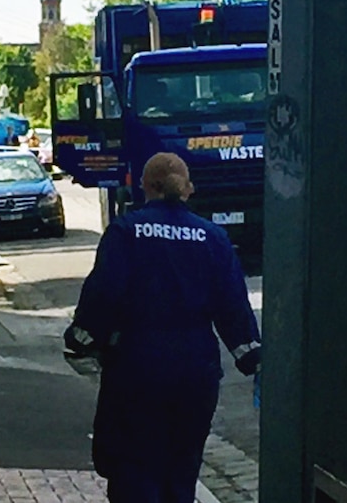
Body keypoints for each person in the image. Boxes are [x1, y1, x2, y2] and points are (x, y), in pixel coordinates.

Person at [63, 152, 261, 503]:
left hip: (136, 368)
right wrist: (251, 356)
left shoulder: (126, 232)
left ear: (144, 186)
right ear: (188, 189)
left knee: (134, 470)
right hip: (196, 372)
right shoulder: (212, 237)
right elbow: (233, 308)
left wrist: (82, 338)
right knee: (181, 473)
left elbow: (104, 294)